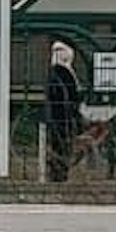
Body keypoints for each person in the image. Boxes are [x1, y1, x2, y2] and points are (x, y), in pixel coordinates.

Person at [44, 41, 82, 181]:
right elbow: (72, 94)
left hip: (58, 115)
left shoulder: (57, 71)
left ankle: (58, 172)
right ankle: (59, 173)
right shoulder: (64, 72)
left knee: (59, 144)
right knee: (62, 145)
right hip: (63, 116)